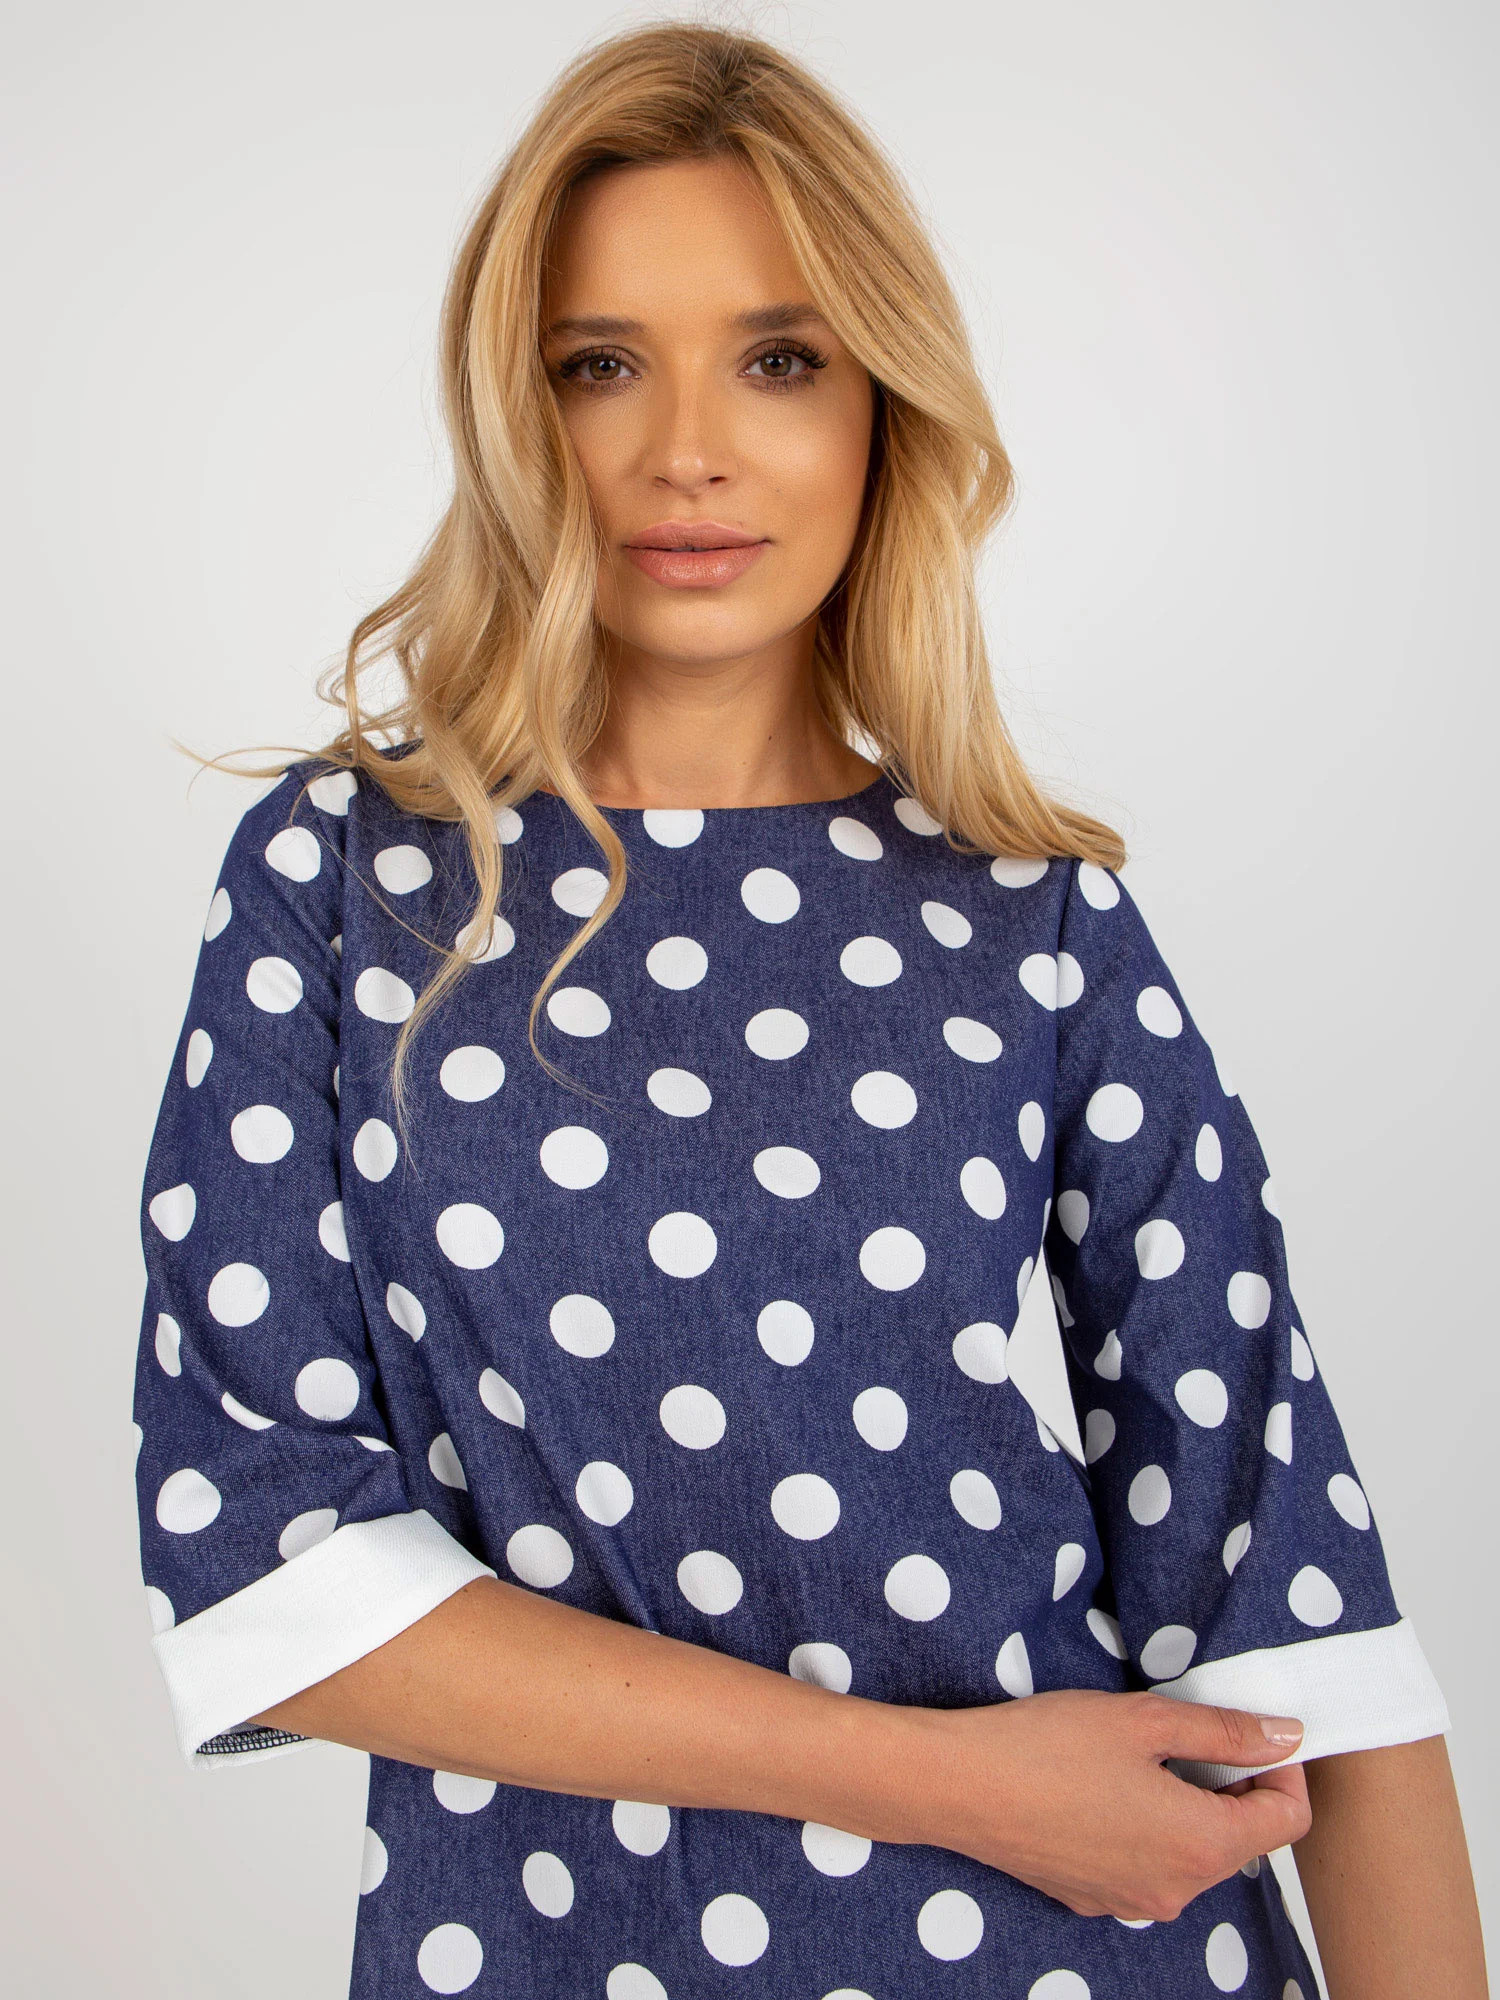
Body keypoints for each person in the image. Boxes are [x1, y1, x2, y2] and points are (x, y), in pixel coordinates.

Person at [130, 18, 1486, 1998]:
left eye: (781, 359)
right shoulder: (345, 883)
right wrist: (956, 1785)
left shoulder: (1036, 918)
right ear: (516, 411)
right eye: (601, 364)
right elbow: (276, 1572)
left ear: (881, 408)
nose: (687, 447)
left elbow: (1298, 1598)